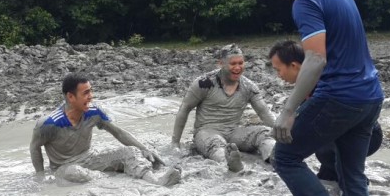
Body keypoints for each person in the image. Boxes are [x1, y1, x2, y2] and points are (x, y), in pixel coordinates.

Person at [269, 0, 385, 196]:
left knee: (284, 157)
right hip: (370, 97)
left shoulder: (306, 0)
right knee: (352, 176)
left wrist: (288, 111)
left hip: (339, 98)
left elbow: (316, 58)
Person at [268, 40, 384, 196]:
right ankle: (335, 173)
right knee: (321, 145)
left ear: (294, 66)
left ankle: (350, 176)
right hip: (359, 128)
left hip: (368, 136)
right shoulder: (311, 85)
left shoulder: (324, 86)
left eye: (278, 70)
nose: (278, 75)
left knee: (321, 147)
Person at [30, 73, 181, 186]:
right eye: (86, 93)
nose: (91, 97)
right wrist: (40, 175)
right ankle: (113, 182)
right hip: (64, 168)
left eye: (91, 91)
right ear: (70, 97)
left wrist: (144, 148)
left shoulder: (94, 112)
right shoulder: (48, 124)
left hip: (90, 158)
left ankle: (156, 181)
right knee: (73, 172)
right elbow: (34, 147)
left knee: (131, 152)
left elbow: (118, 132)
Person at [170, 44, 277, 172]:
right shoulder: (204, 83)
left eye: (241, 63)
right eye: (233, 64)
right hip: (206, 132)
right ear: (221, 63)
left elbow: (264, 112)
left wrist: (280, 133)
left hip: (233, 132)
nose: (237, 68)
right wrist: (175, 143)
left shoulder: (249, 86)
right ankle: (231, 162)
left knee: (264, 132)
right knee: (216, 144)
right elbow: (184, 109)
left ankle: (275, 157)